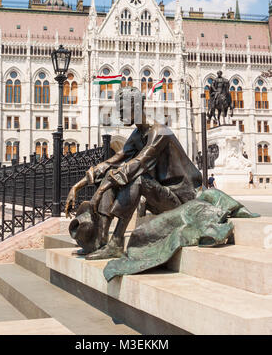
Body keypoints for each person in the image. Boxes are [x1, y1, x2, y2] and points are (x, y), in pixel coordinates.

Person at [65, 86, 203, 260]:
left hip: (182, 200)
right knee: (112, 173)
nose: (119, 115)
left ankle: (116, 243)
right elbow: (113, 160)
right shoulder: (138, 134)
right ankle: (100, 239)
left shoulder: (160, 131)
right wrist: (77, 186)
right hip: (162, 196)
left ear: (136, 106)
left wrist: (100, 191)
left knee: (138, 179)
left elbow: (140, 163)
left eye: (122, 110)